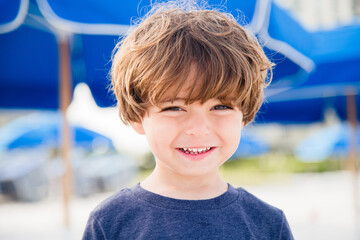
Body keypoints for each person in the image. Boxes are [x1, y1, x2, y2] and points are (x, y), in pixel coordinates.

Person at [83, 1, 294, 239]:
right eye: (174, 108)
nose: (198, 129)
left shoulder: (267, 224)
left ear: (244, 115)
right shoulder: (110, 222)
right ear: (138, 117)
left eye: (220, 106)